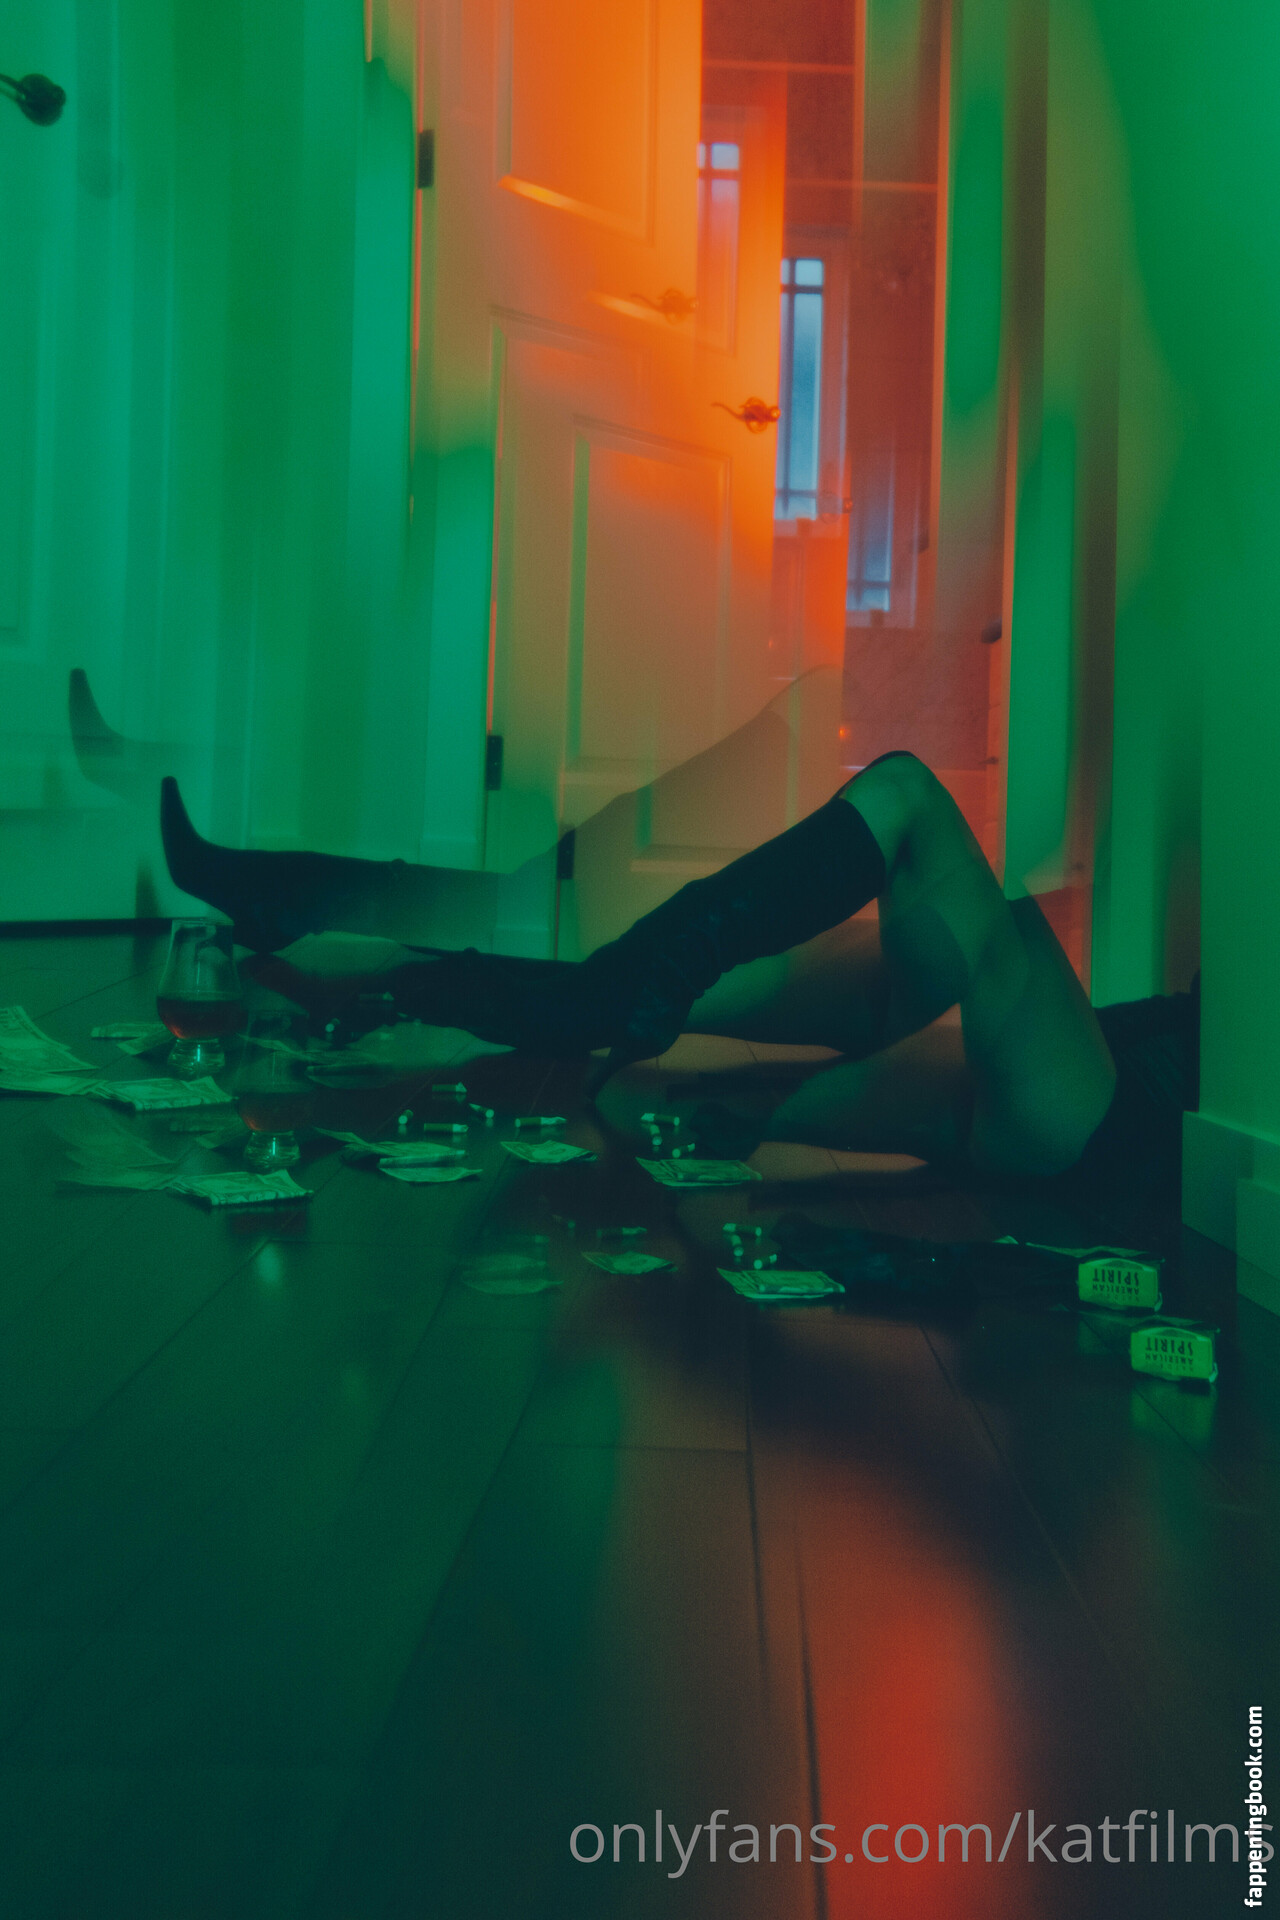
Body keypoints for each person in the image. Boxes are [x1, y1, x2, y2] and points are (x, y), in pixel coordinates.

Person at [158, 753, 1198, 1190]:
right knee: (618, 972)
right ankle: (313, 912)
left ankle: (636, 982)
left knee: (906, 794)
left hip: (1103, 1123)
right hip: (1076, 1097)